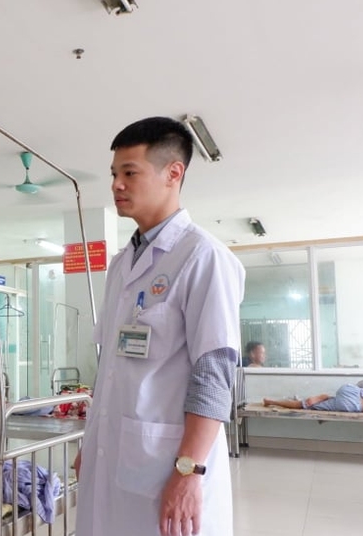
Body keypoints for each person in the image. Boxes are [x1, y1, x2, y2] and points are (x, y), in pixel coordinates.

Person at [74, 117, 244, 536]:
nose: (116, 184)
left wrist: (190, 470)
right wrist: (92, 443)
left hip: (166, 465)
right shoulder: (120, 265)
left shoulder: (203, 257)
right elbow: (111, 368)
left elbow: (213, 372)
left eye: (130, 173)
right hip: (113, 455)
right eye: (114, 174)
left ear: (173, 173)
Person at [263, 380, 363, 413]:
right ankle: (272, 401)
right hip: (351, 405)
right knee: (302, 405)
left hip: (351, 391)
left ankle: (272, 401)